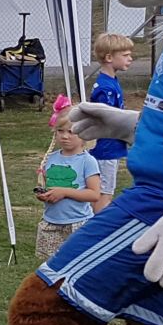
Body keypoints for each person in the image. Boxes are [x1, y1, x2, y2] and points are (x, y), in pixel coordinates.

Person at [33, 102, 102, 262]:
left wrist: (64, 192)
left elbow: (94, 194)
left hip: (77, 224)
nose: (64, 136)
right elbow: (47, 186)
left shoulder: (87, 161)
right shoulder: (50, 158)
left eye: (71, 132)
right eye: (60, 131)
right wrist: (44, 195)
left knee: (75, 263)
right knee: (51, 266)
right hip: (51, 222)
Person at [87, 32, 134, 207]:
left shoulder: (112, 81)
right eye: (125, 55)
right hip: (105, 149)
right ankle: (98, 223)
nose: (130, 59)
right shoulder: (105, 88)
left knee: (105, 192)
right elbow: (106, 118)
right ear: (109, 57)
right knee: (103, 195)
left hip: (112, 146)